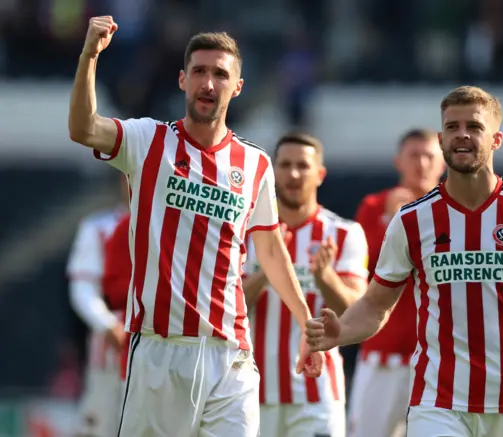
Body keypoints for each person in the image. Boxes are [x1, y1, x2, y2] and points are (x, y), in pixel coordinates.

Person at [305, 85, 503, 437]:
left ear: (496, 139)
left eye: (474, 127)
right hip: (436, 400)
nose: (462, 134)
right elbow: (376, 303)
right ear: (441, 138)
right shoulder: (411, 220)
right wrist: (342, 331)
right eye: (452, 127)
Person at [68, 16, 323, 436]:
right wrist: (89, 57)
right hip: (157, 350)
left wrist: (304, 322)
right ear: (182, 80)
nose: (209, 83)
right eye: (200, 72)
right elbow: (82, 128)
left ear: (237, 87)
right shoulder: (146, 140)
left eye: (220, 74)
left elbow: (271, 249)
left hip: (231, 354)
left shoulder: (255, 163)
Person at [242, 132, 369, 437]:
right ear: (272, 172)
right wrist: (269, 270)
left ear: (320, 174)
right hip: (252, 392)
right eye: (285, 165)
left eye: (303, 165)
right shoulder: (246, 232)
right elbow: (228, 305)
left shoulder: (344, 234)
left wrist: (325, 277)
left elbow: (356, 311)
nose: (294, 174)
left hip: (318, 395)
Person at [349, 128, 445, 437]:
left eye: (430, 156)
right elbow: (363, 270)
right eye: (414, 155)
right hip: (383, 353)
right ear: (398, 162)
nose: (422, 163)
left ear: (442, 163)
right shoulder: (375, 206)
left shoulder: (453, 210)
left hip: (438, 359)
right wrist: (391, 222)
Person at [66, 187, 126, 437]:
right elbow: (82, 288)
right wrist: (108, 324)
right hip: (109, 356)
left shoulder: (182, 226)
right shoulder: (99, 227)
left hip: (168, 355)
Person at [102, 213, 132, 393]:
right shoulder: (129, 225)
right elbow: (113, 294)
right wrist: (106, 322)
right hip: (141, 360)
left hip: (220, 358)